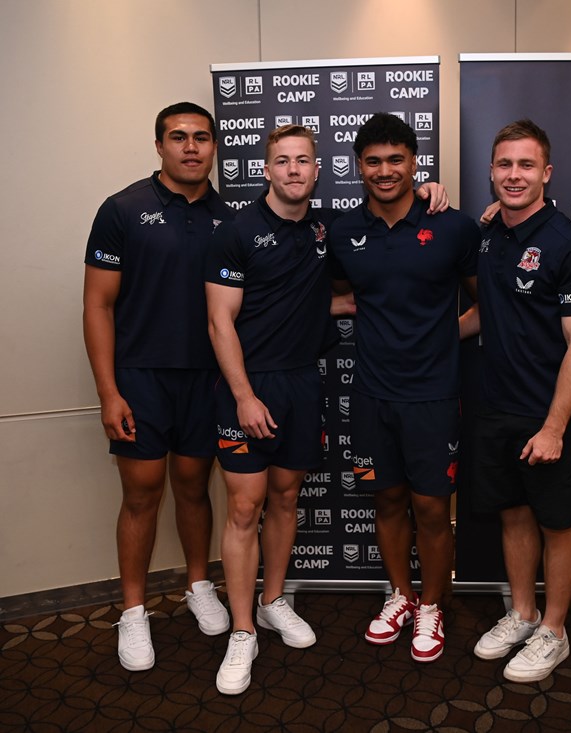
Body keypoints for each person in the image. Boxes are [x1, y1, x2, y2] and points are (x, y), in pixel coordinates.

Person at [206, 123, 451, 693]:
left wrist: (433, 192)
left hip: (302, 383)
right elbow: (219, 322)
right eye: (283, 161)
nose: (293, 169)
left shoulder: (325, 231)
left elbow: (359, 285)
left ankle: (273, 601)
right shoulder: (236, 232)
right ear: (266, 169)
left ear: (319, 171)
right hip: (248, 385)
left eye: (304, 161)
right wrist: (243, 395)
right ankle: (242, 631)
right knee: (245, 507)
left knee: (286, 497)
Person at [83, 102, 232, 672]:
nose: (191, 147)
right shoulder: (123, 209)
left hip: (206, 379)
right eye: (178, 137)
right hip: (140, 379)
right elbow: (97, 305)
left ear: (214, 145)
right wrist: (108, 392)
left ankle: (198, 586)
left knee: (194, 487)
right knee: (142, 495)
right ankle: (134, 611)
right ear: (160, 146)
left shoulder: (230, 217)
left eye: (201, 137)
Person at [329, 113, 480, 663]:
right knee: (387, 501)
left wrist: (444, 334)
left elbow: (489, 304)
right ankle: (400, 594)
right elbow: (337, 294)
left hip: (435, 396)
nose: (385, 171)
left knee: (432, 509)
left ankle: (432, 606)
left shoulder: (452, 227)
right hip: (370, 394)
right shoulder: (344, 231)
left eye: (396, 159)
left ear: (415, 163)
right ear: (359, 167)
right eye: (374, 161)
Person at [463, 120, 571, 683]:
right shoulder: (489, 235)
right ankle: (521, 613)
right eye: (504, 165)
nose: (513, 175)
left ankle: (554, 629)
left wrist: (554, 427)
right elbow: (486, 313)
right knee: (513, 513)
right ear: (491, 172)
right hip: (493, 407)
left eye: (525, 165)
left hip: (549, 416)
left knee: (556, 522)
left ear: (546, 173)